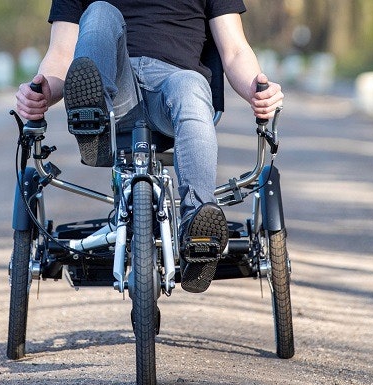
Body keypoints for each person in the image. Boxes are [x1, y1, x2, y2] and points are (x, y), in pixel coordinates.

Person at [15, 0, 284, 293]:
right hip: (114, 94)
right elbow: (61, 55)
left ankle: (198, 227)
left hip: (174, 88)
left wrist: (258, 92)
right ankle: (91, 120)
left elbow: (234, 51)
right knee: (100, 12)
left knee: (191, 84)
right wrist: (41, 92)